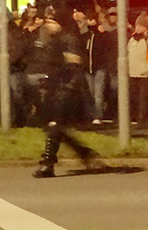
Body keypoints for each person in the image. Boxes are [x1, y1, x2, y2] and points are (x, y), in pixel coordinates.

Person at [32, 18, 100, 178]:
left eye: (51, 21)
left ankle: (47, 164)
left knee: (55, 125)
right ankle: (84, 152)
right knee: (54, 127)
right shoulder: (55, 39)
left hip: (67, 88)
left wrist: (62, 82)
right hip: (57, 86)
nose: (47, 25)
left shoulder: (68, 38)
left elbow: (74, 64)